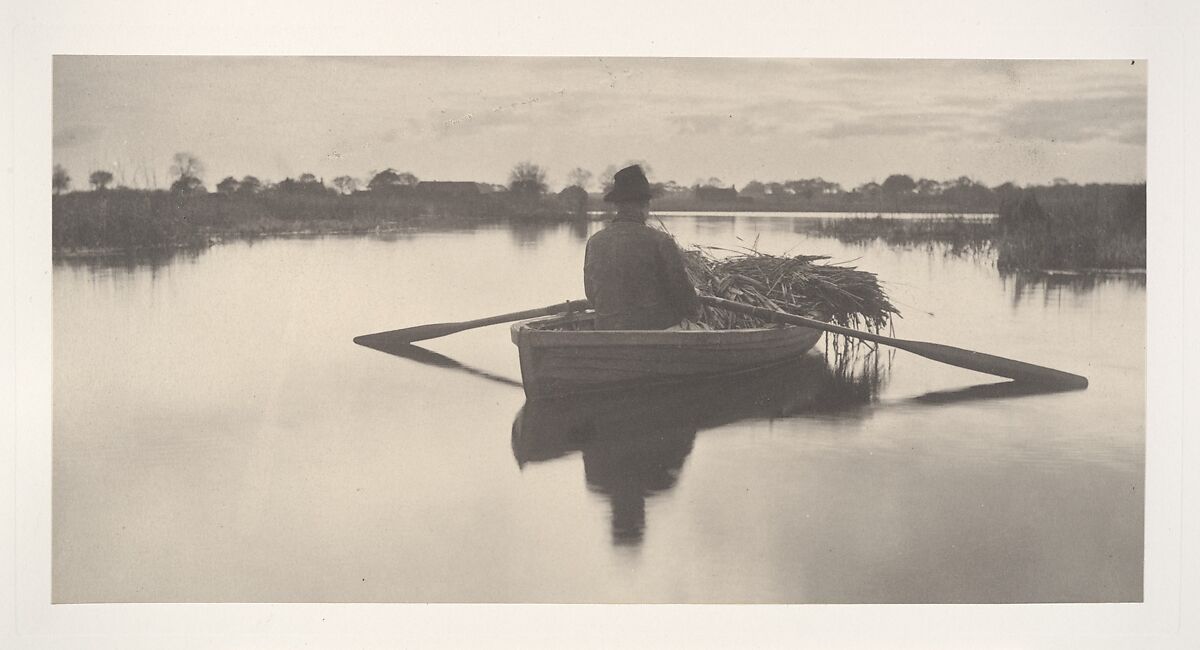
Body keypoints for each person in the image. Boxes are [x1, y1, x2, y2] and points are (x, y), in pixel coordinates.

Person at [584, 164, 700, 330]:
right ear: (645, 204)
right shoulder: (661, 241)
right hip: (655, 331)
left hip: (607, 329)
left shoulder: (594, 242)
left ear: (617, 205)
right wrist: (694, 311)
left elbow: (591, 294)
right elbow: (684, 296)